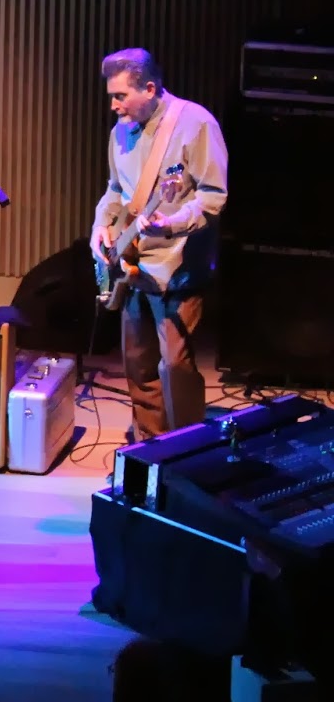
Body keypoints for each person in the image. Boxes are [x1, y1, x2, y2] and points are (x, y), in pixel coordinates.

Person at [92, 48, 227, 440]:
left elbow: (213, 196)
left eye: (121, 96)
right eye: (112, 96)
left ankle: (186, 452)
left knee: (175, 367)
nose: (114, 106)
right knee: (137, 364)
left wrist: (171, 223)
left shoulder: (196, 124)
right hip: (132, 265)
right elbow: (115, 190)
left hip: (177, 266)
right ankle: (149, 448)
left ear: (149, 88)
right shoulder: (120, 132)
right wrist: (102, 226)